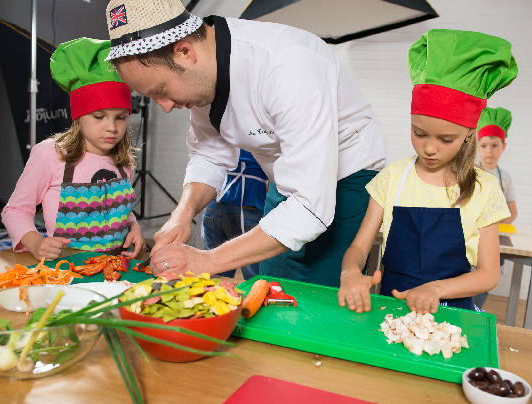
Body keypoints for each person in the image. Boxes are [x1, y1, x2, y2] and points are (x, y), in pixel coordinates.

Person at [104, 0, 387, 286]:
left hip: (348, 175)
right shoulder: (204, 72)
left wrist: (207, 260)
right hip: (286, 177)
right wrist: (183, 213)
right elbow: (209, 155)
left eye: (162, 90)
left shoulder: (288, 65)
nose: (165, 106)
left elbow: (309, 207)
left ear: (185, 51)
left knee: (316, 296)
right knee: (271, 285)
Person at [338, 29, 518, 314]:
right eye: (419, 133)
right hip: (391, 309)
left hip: (452, 314)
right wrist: (350, 271)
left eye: (446, 140)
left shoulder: (484, 188)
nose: (429, 149)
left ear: (469, 135)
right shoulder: (393, 178)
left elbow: (488, 274)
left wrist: (436, 289)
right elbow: (359, 248)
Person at [2, 38, 146, 262]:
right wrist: (36, 243)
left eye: (121, 117)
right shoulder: (51, 155)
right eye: (99, 117)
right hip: (66, 268)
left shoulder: (123, 160)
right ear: (79, 116)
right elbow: (15, 210)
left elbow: (118, 210)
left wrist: (132, 225)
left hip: (118, 266)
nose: (111, 127)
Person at [473, 106, 517, 308]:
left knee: (483, 283)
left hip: (491, 238)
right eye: (483, 145)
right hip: (469, 236)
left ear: (504, 147)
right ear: (477, 146)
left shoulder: (505, 179)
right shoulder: (469, 173)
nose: (488, 150)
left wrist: (492, 229)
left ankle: (475, 312)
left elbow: (512, 211)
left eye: (494, 145)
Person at [202, 149, 268, 280]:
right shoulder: (262, 139)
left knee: (215, 271)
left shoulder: (225, 134)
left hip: (213, 206)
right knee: (255, 278)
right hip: (249, 206)